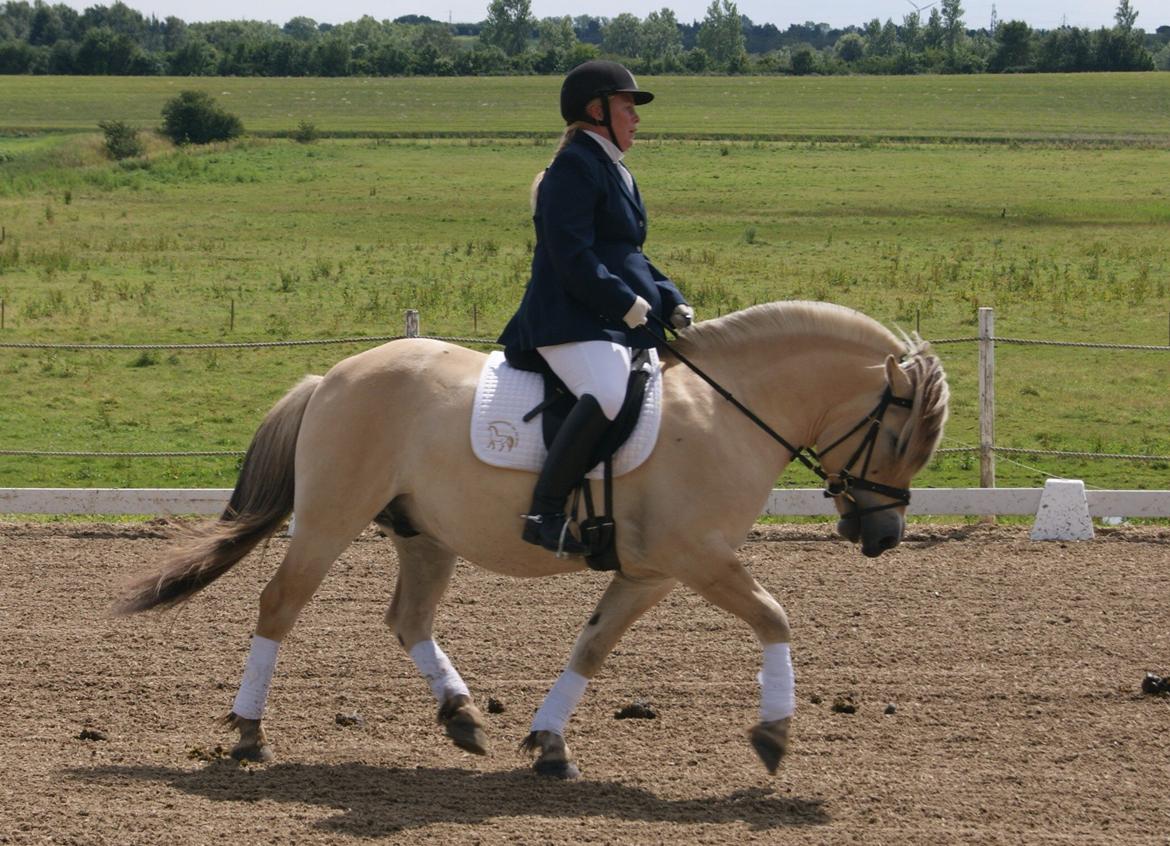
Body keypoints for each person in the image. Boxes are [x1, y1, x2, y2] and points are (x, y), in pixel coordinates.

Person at [498, 60, 693, 556]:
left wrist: (669, 298)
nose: (637, 119)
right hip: (566, 317)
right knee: (607, 391)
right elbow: (572, 255)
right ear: (597, 110)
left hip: (603, 318)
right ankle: (544, 512)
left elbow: (627, 252)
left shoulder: (613, 168)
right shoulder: (573, 167)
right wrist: (624, 302)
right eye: (628, 107)